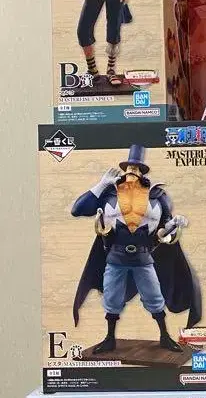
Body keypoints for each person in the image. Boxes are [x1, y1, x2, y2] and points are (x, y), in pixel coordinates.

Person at [71, 145, 199, 355]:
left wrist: (175, 224)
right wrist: (101, 184)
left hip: (143, 256)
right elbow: (77, 210)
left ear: (142, 172)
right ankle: (109, 338)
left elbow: (163, 231)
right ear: (124, 169)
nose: (132, 170)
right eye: (129, 167)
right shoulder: (109, 194)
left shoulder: (158, 196)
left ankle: (164, 336)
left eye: (137, 168)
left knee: (154, 296)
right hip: (115, 255)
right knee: (112, 298)